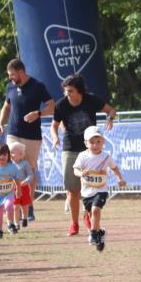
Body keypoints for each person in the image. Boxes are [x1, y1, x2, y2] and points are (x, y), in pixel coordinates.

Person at [50, 73, 117, 236]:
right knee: (73, 190)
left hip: (91, 151)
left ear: (79, 90)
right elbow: (54, 125)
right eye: (66, 91)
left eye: (71, 91)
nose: (67, 94)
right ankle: (74, 224)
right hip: (70, 148)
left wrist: (110, 118)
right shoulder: (61, 105)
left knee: (91, 189)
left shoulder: (91, 99)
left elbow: (111, 110)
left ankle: (87, 215)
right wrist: (55, 137)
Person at [0, 58, 54, 221]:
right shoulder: (10, 87)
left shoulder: (37, 86)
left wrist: (38, 113)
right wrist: (1, 123)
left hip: (32, 136)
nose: (10, 78)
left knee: (29, 169)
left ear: (21, 72)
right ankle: (14, 203)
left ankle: (28, 204)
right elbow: (6, 107)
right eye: (9, 75)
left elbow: (52, 105)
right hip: (13, 133)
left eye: (12, 74)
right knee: (10, 168)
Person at [74, 126, 127, 252]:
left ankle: (93, 233)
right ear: (86, 143)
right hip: (87, 192)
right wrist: (81, 173)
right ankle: (100, 234)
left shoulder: (105, 157)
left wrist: (119, 179)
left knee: (96, 210)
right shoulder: (82, 156)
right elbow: (75, 169)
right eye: (92, 142)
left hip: (101, 190)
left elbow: (114, 168)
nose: (95, 145)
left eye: (98, 141)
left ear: (103, 142)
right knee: (92, 215)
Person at [0, 143, 20, 239]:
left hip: (9, 193)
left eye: (4, 154)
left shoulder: (12, 167)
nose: (2, 157)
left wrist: (18, 189)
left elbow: (16, 178)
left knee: (9, 206)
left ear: (8, 155)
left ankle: (10, 223)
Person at [9, 141, 35, 228]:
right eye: (10, 152)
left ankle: (25, 218)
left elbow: (31, 175)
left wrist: (26, 181)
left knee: (24, 206)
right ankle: (16, 224)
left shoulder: (25, 164)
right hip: (14, 189)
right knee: (15, 207)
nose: (11, 154)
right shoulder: (9, 165)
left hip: (24, 188)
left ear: (20, 154)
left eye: (13, 152)